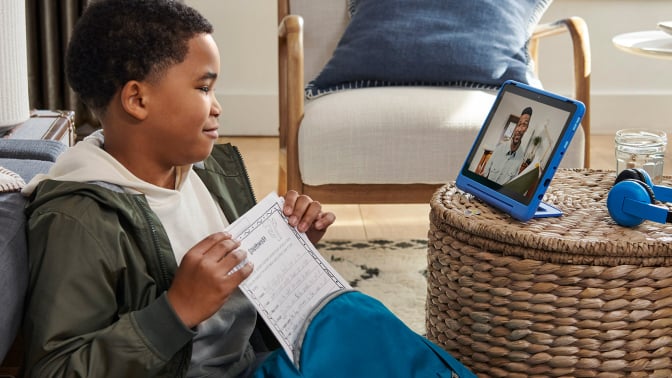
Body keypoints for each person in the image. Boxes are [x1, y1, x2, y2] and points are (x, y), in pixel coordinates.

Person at [20, 1, 335, 376]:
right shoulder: (78, 219)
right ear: (137, 99)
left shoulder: (211, 173)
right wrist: (176, 311)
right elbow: (54, 370)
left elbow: (244, 318)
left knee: (366, 334)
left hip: (254, 365)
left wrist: (289, 250)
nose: (217, 107)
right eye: (203, 87)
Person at [481, 107, 533, 185]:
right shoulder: (499, 148)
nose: (519, 129)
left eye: (524, 125)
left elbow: (511, 184)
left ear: (526, 129)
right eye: (519, 124)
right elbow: (484, 175)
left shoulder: (521, 157)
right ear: (515, 126)